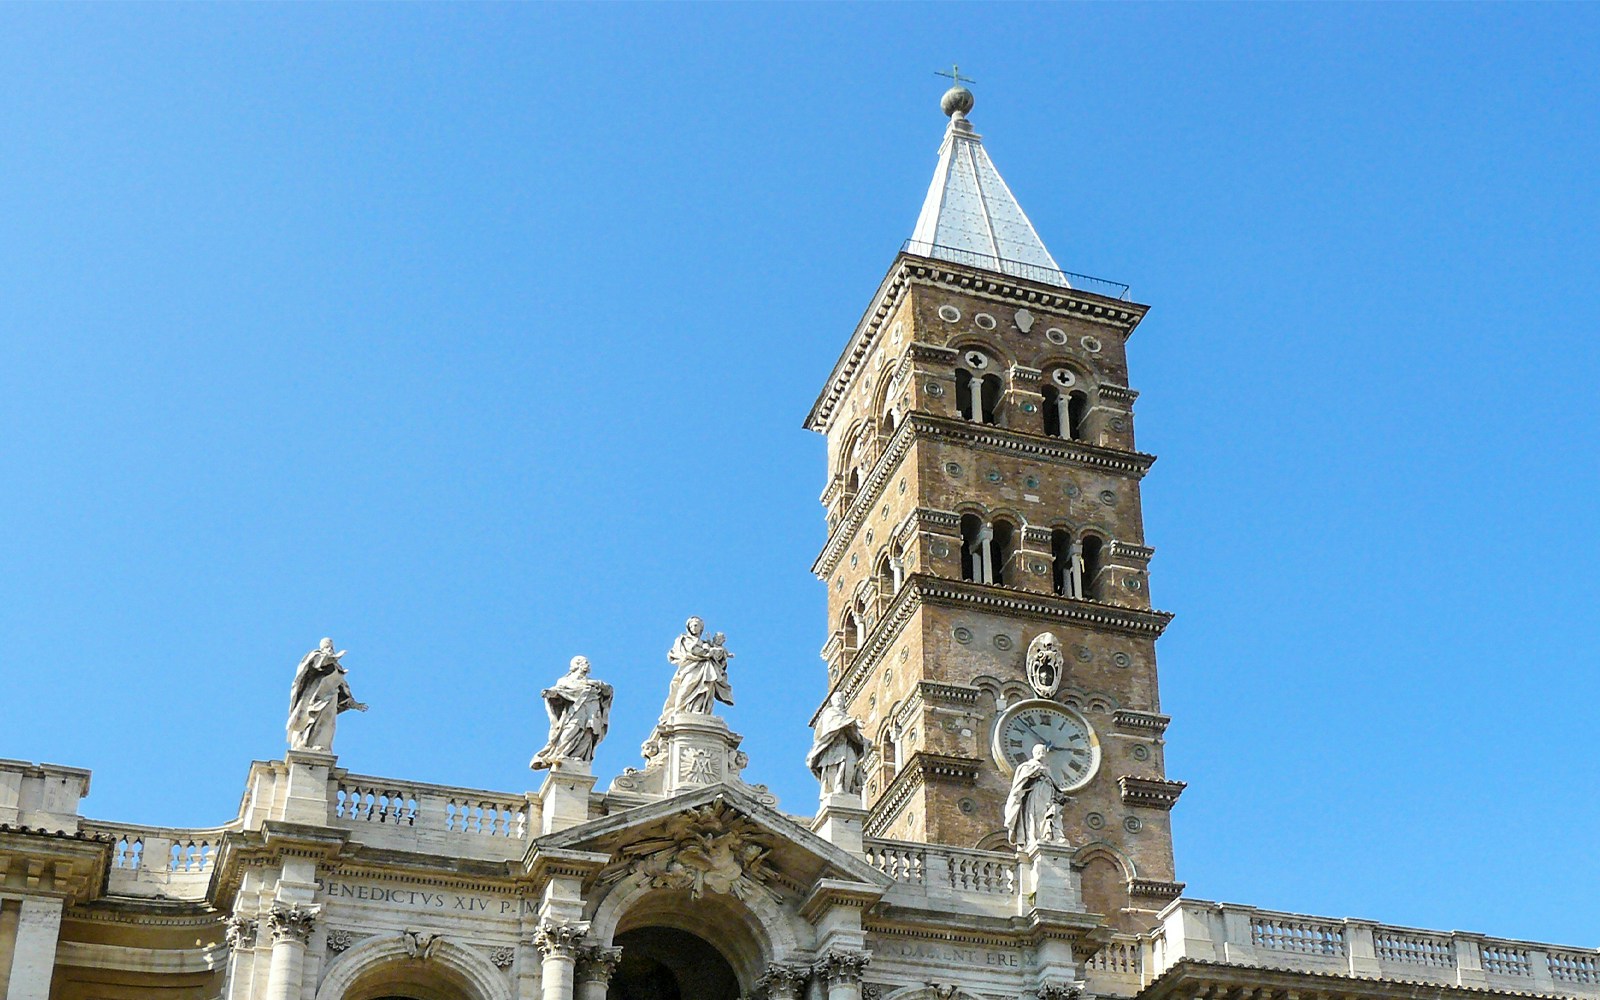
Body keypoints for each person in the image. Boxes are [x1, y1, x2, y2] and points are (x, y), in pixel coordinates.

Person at [530, 656, 614, 769]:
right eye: (585, 662)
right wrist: (550, 693)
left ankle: (578, 758)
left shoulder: (594, 683)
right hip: (576, 711)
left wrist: (598, 684)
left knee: (589, 733)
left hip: (593, 711)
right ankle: (557, 755)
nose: (588, 665)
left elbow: (608, 691)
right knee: (570, 731)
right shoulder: (566, 681)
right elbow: (559, 691)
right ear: (577, 665)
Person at [286, 638, 368, 752]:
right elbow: (318, 662)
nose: (330, 649)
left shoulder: (336, 666)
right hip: (313, 696)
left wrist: (353, 703)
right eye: (327, 647)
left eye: (331, 647)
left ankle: (320, 745)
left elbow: (341, 684)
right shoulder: (316, 655)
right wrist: (334, 658)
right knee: (310, 718)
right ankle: (305, 744)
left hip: (331, 696)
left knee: (328, 722)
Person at [663, 617, 734, 717]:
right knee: (686, 687)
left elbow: (718, 659)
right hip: (689, 668)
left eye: (696, 625)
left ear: (701, 629)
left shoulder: (705, 643)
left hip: (705, 669)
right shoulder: (683, 639)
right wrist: (708, 653)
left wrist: (719, 654)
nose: (694, 628)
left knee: (704, 688)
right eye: (691, 626)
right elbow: (692, 651)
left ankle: (698, 709)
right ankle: (679, 710)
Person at [806, 692, 871, 796]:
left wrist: (864, 741)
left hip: (847, 746)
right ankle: (838, 787)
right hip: (834, 747)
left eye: (842, 699)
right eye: (837, 699)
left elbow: (853, 734)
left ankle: (846, 788)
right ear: (832, 702)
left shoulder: (845, 717)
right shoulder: (830, 713)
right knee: (835, 766)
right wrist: (853, 722)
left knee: (851, 764)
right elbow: (835, 726)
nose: (840, 701)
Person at [1005, 745, 1068, 848]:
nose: (1041, 753)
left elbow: (1054, 785)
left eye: (1043, 751)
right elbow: (1020, 783)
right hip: (1035, 794)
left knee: (1049, 814)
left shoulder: (1047, 768)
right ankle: (1035, 837)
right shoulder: (1027, 766)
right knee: (1037, 815)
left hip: (1047, 795)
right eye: (1039, 751)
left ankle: (1048, 836)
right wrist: (1036, 772)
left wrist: (1059, 795)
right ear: (1034, 753)